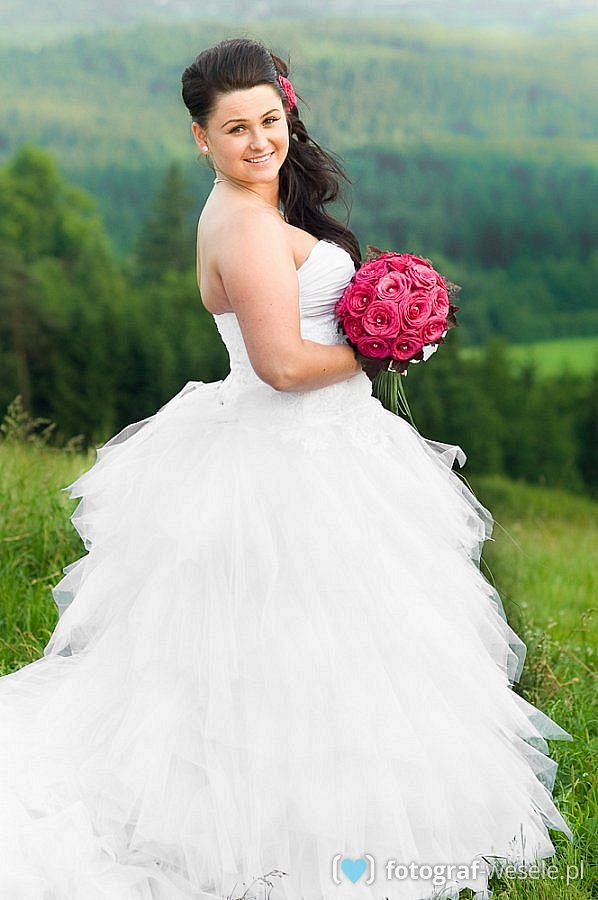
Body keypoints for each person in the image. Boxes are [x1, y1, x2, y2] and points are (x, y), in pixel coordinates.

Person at [0, 37, 573, 900]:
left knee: (353, 642)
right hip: (287, 458)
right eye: (235, 129)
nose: (260, 140)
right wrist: (384, 345)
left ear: (287, 112)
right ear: (201, 138)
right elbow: (281, 365)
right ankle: (282, 823)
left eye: (270, 119)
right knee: (298, 642)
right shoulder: (242, 224)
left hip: (322, 444)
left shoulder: (258, 204)